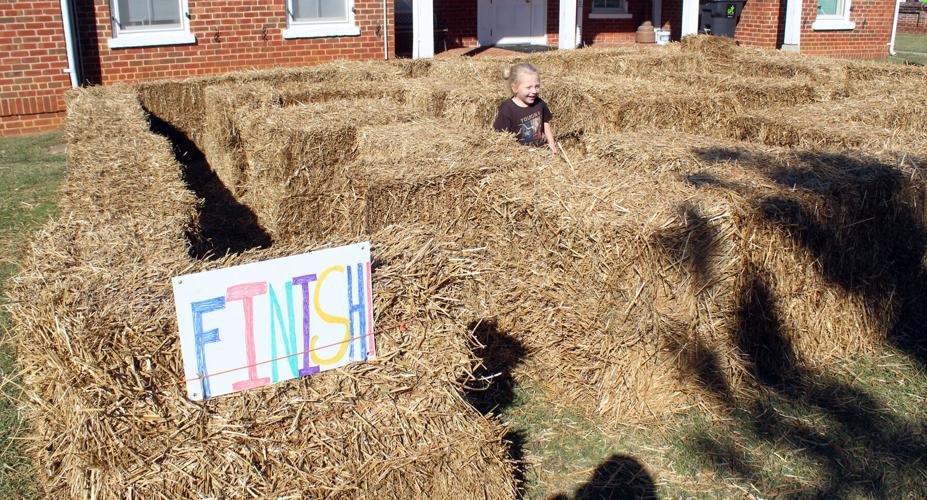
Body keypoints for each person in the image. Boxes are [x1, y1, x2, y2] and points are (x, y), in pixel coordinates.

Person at [492, 63, 558, 155]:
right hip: (520, 157)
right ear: (514, 87)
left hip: (541, 153)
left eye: (537, 86)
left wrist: (551, 143)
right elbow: (499, 137)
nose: (534, 91)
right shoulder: (508, 109)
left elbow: (545, 123)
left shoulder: (539, 103)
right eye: (529, 87)